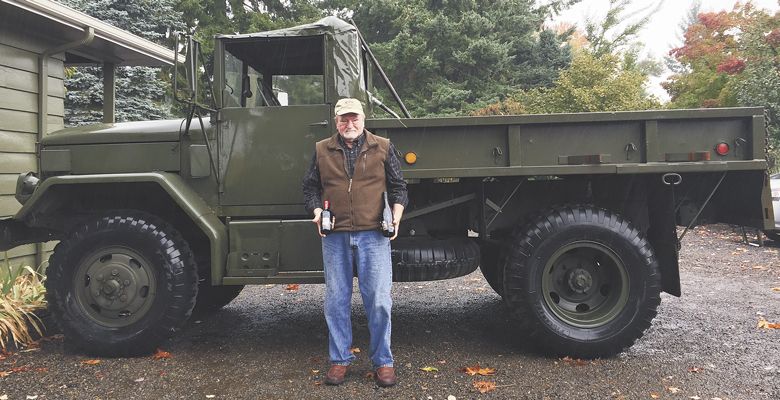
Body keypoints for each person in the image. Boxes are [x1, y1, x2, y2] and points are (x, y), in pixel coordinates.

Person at [302, 98, 408, 387]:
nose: (349, 124)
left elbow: (399, 187)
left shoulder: (383, 146)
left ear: (363, 119)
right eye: (343, 119)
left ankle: (383, 362)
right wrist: (316, 212)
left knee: (379, 302)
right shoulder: (322, 149)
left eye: (354, 118)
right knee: (336, 301)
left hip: (373, 235)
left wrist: (396, 217)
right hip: (335, 237)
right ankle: (339, 360)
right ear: (336, 121)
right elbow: (310, 187)